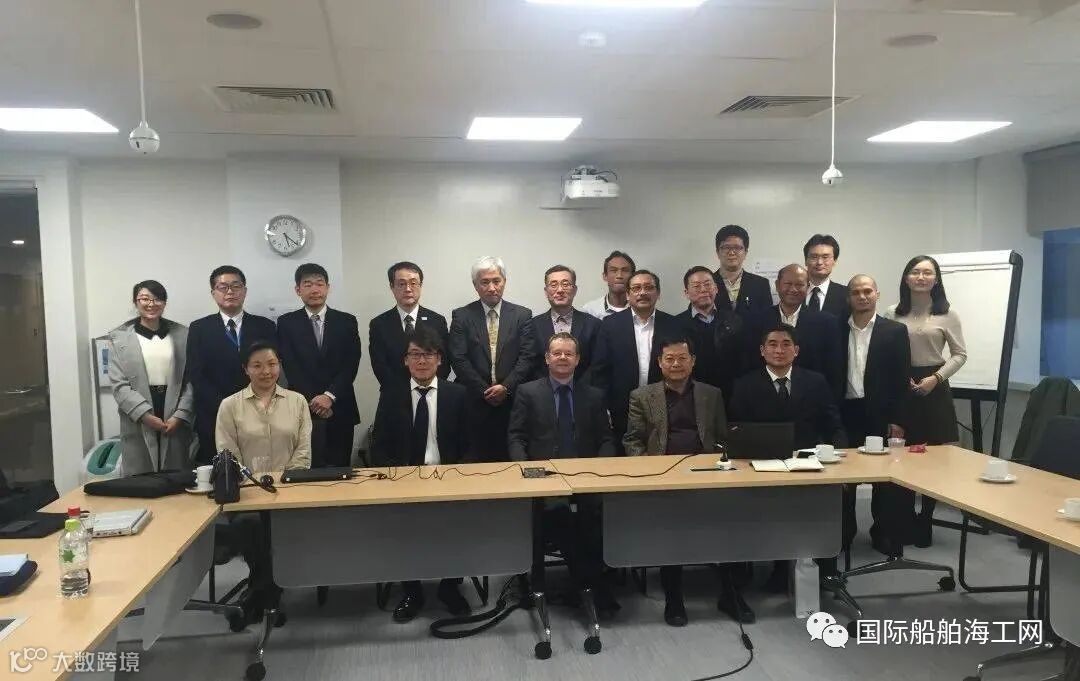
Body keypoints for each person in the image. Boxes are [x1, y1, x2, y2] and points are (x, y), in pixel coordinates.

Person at [623, 336, 748, 626]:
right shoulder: (642, 396)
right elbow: (632, 440)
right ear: (659, 363)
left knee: (733, 523)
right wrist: (650, 470)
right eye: (669, 359)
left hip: (708, 476)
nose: (676, 364)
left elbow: (721, 438)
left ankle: (731, 594)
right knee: (672, 528)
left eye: (682, 358)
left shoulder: (711, 394)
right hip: (664, 477)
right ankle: (674, 597)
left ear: (693, 362)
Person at [507, 332, 618, 615]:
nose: (562, 358)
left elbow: (606, 439)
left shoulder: (593, 395)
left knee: (597, 514)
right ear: (546, 358)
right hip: (543, 479)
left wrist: (599, 469)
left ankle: (585, 584)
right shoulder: (528, 392)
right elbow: (516, 436)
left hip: (586, 479)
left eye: (569, 353)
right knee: (558, 513)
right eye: (557, 353)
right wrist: (525, 469)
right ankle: (589, 586)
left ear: (578, 359)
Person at [729, 324, 845, 592]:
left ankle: (827, 569)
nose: (779, 350)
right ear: (762, 350)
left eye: (786, 344)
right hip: (763, 466)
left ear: (797, 350)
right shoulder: (745, 385)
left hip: (809, 464)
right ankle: (780, 569)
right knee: (775, 512)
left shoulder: (815, 381)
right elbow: (737, 432)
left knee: (825, 507)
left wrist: (839, 457)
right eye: (772, 344)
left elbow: (834, 425)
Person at [370, 327, 472, 622]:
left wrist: (457, 476)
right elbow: (379, 447)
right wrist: (397, 478)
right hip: (405, 481)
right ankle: (412, 591)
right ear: (405, 360)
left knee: (458, 528)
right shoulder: (392, 395)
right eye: (415, 354)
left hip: (449, 478)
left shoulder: (457, 394)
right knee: (405, 530)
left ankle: (450, 588)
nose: (422, 361)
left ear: (439, 359)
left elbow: (471, 446)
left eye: (428, 354)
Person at [214, 341, 311, 623]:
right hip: (247, 494)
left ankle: (257, 596)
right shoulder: (230, 406)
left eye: (271, 364)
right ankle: (268, 596)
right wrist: (253, 484)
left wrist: (285, 482)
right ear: (246, 369)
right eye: (257, 365)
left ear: (280, 366)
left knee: (277, 526)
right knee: (253, 525)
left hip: (289, 491)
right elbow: (228, 454)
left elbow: (303, 451)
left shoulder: (297, 401)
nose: (266, 371)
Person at [886, 255, 968, 547]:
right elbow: (885, 350)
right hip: (902, 385)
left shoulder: (948, 314)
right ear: (906, 278)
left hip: (935, 387)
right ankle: (905, 519)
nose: (921, 277)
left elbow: (960, 354)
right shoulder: (892, 312)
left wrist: (936, 378)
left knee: (934, 459)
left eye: (927, 273)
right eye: (915, 272)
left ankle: (926, 519)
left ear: (936, 279)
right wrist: (899, 378)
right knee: (903, 456)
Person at [837, 275, 913, 561]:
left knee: (885, 479)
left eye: (867, 291)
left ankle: (883, 533)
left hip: (880, 414)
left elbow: (902, 378)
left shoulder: (894, 331)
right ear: (848, 297)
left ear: (877, 294)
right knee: (843, 477)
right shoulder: (835, 328)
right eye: (856, 292)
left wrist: (898, 420)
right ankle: (844, 533)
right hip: (845, 412)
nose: (862, 296)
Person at [448, 256, 538, 461]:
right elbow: (458, 358)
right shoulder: (461, 316)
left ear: (504, 281)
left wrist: (506, 387)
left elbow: (527, 356)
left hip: (513, 400)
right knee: (474, 460)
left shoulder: (522, 315)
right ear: (475, 285)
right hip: (474, 401)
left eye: (496, 281)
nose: (491, 288)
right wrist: (485, 391)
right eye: (485, 282)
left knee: (511, 459)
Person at [187, 266, 277, 463]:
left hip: (259, 412)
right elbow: (196, 375)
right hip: (214, 414)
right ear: (213, 293)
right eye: (223, 287)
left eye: (236, 286)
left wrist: (254, 404)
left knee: (259, 467)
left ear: (244, 291)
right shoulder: (199, 328)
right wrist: (226, 407)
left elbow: (271, 370)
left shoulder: (265, 326)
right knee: (221, 471)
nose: (230, 292)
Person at [276, 264, 361, 468]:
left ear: (328, 288)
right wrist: (315, 401)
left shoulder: (347, 321)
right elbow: (290, 366)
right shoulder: (286, 323)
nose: (314, 289)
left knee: (340, 470)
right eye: (307, 284)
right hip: (302, 407)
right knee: (304, 468)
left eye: (319, 284)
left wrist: (329, 396)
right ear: (298, 290)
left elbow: (351, 363)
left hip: (340, 407)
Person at [108, 280, 194, 476]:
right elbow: (119, 385)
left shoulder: (183, 335)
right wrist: (144, 415)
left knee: (176, 475)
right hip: (138, 412)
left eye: (157, 299)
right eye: (145, 299)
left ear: (164, 302)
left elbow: (191, 380)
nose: (151, 304)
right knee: (141, 476)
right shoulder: (119, 338)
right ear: (135, 302)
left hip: (173, 408)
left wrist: (180, 414)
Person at [591, 270, 681, 454]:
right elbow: (600, 370)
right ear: (627, 294)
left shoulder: (673, 324)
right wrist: (603, 408)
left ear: (658, 293)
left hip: (665, 406)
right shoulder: (610, 325)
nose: (642, 293)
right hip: (620, 408)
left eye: (649, 288)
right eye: (636, 288)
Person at [746, 264, 843, 398]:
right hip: (764, 396)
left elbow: (834, 369)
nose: (793, 289)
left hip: (811, 398)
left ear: (808, 287)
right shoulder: (756, 320)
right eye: (788, 284)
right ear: (777, 285)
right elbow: (750, 362)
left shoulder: (826, 322)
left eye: (799, 285)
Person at [368, 261, 450, 388]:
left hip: (431, 392)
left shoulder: (437, 321)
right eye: (401, 284)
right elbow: (379, 366)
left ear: (420, 285)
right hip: (393, 393)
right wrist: (403, 391)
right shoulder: (379, 324)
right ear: (392, 287)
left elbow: (444, 362)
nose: (408, 289)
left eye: (413, 283)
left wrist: (426, 387)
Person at [675, 266, 748, 406]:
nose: (703, 290)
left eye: (707, 284)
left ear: (716, 288)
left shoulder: (734, 320)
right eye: (696, 286)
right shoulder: (677, 324)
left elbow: (744, 359)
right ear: (686, 293)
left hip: (731, 394)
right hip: (692, 396)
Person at [530, 265, 600, 381]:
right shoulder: (533, 325)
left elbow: (597, 365)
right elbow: (531, 364)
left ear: (575, 290)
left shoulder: (593, 325)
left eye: (565, 284)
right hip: (542, 389)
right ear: (546, 292)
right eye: (553, 285)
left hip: (583, 389)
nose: (560, 290)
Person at [712, 224, 772, 317]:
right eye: (726, 247)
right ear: (717, 252)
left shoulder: (761, 284)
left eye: (737, 247)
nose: (731, 252)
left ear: (745, 252)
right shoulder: (706, 284)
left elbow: (768, 320)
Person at [803, 234, 849, 317]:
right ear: (806, 260)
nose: (819, 262)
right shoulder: (794, 292)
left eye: (825, 257)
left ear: (834, 261)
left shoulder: (847, 295)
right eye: (814, 257)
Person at [581, 251, 635, 320]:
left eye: (625, 270)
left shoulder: (640, 309)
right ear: (605, 276)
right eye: (613, 270)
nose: (619, 276)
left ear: (633, 277)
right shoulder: (590, 311)